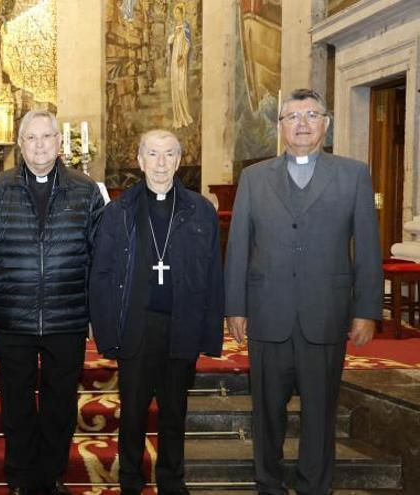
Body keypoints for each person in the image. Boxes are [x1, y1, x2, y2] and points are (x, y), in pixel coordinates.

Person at [224, 88, 383, 495]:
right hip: (267, 313)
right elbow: (239, 245)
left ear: (325, 124)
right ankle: (269, 484)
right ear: (280, 127)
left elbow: (366, 246)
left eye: (311, 115)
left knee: (320, 414)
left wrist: (366, 309)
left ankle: (315, 486)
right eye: (292, 117)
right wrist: (235, 308)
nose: (302, 124)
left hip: (326, 314)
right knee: (266, 414)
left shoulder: (353, 174)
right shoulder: (254, 178)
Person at [0, 110, 105, 495]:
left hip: (68, 317)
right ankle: (19, 477)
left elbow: (100, 259)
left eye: (47, 137)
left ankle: (52, 475)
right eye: (31, 138)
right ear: (20, 144)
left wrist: (98, 313)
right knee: (16, 404)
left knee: (61, 404)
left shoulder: (85, 191)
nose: (40, 145)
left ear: (60, 143)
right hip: (12, 317)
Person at [89, 130, 223, 495]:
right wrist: (105, 332)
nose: (161, 163)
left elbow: (213, 274)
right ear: (140, 159)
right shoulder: (118, 212)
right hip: (136, 325)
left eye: (168, 155)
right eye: (153, 154)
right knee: (132, 413)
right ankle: (130, 480)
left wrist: (209, 334)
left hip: (181, 324)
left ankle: (171, 480)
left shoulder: (200, 210)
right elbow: (100, 274)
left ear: (179, 162)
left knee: (174, 412)